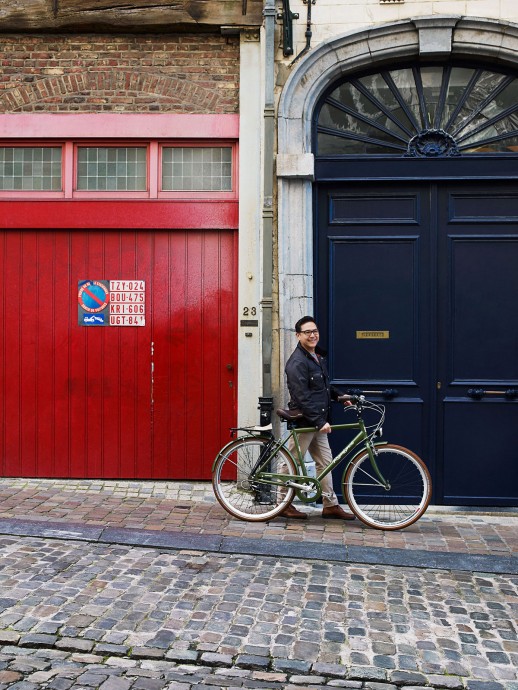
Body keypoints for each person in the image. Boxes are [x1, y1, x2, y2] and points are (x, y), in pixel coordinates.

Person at [279, 316, 355, 520]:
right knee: (291, 461)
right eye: (307, 332)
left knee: (326, 462)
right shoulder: (297, 362)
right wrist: (320, 422)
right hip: (306, 421)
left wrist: (340, 396)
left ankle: (330, 505)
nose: (313, 335)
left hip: (318, 420)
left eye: (315, 331)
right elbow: (301, 397)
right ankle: (282, 504)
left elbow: (323, 387)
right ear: (298, 335)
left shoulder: (316, 357)